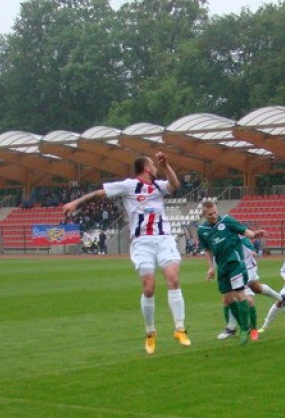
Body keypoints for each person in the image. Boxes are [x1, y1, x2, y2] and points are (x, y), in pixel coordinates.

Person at [62, 151, 190, 355]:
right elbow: (100, 193)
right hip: (142, 242)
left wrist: (166, 166)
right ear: (146, 168)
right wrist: (75, 203)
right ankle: (150, 331)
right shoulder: (129, 185)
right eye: (153, 166)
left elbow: (175, 185)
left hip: (164, 238)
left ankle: (180, 328)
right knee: (149, 288)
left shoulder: (158, 186)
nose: (155, 168)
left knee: (173, 279)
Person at [196, 200, 266, 345]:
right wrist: (211, 267)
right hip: (222, 267)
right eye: (210, 214)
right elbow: (207, 250)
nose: (214, 216)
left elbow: (243, 231)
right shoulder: (202, 230)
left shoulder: (227, 220)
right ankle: (242, 326)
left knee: (240, 295)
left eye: (215, 212)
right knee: (227, 300)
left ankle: (245, 329)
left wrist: (254, 235)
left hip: (236, 263)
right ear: (204, 215)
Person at [216, 234, 282, 341]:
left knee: (249, 298)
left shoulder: (238, 234)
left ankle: (253, 329)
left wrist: (252, 250)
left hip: (247, 268)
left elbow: (247, 242)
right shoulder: (220, 236)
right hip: (232, 268)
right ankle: (234, 328)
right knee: (232, 297)